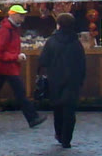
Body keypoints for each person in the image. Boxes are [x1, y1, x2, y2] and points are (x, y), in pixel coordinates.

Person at [0, 4, 42, 129]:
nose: (23, 18)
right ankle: (32, 118)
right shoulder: (6, 30)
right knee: (20, 93)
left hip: (3, 67)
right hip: (7, 67)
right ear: (13, 15)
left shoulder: (11, 29)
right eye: (21, 15)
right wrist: (15, 57)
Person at [35, 9, 88, 148]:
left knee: (58, 108)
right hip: (73, 80)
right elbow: (82, 63)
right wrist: (81, 79)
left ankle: (59, 134)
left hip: (55, 79)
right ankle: (67, 139)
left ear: (58, 25)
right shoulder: (76, 43)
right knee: (70, 110)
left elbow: (43, 60)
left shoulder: (52, 41)